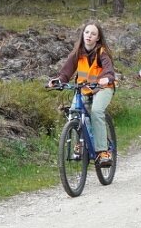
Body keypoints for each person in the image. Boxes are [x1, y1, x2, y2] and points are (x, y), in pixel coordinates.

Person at [48, 22, 116, 167]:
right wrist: (58, 81)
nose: (89, 36)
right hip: (84, 88)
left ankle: (103, 151)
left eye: (93, 34)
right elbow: (66, 71)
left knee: (96, 111)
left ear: (98, 38)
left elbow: (109, 70)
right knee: (74, 112)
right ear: (83, 34)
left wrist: (106, 78)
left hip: (103, 88)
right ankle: (80, 143)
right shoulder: (78, 52)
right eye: (87, 32)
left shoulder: (102, 53)